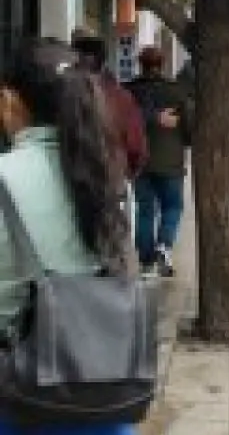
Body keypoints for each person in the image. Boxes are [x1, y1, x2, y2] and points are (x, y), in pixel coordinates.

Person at [0, 39, 136, 435]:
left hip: (20, 398)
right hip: (106, 397)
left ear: (10, 100)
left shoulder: (6, 175)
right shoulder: (114, 179)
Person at [70, 31, 147, 245]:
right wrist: (124, 173)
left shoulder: (61, 93)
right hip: (110, 187)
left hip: (70, 188)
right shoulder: (119, 96)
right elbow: (136, 147)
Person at [126, 46, 192, 277]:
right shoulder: (176, 92)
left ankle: (146, 262)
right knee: (173, 206)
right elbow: (189, 128)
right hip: (170, 161)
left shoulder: (129, 92)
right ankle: (164, 246)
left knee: (145, 209)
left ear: (140, 64)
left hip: (139, 160)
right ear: (162, 64)